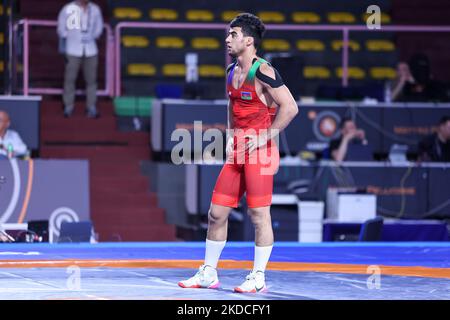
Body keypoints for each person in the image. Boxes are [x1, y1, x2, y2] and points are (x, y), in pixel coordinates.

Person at [178, 13, 298, 293]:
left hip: (261, 152)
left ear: (248, 40)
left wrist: (263, 138)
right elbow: (232, 107)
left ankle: (258, 276)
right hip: (238, 152)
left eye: (232, 35)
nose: (227, 39)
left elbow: (290, 107)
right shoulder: (231, 71)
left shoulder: (264, 71)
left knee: (259, 215)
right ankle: (208, 272)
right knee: (216, 213)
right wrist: (231, 136)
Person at [57, 0, 104, 118]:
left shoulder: (95, 9)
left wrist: (93, 35)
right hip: (73, 49)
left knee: (91, 80)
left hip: (91, 49)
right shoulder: (69, 8)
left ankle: (91, 107)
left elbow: (99, 27)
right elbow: (61, 28)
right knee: (70, 79)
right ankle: (68, 106)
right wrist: (70, 37)